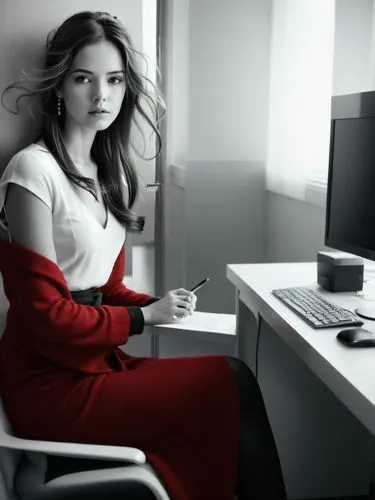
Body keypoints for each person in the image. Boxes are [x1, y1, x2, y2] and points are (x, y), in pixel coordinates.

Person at [0, 11, 287, 500]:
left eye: (113, 80)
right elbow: (46, 316)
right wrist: (142, 317)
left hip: (98, 364)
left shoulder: (111, 174)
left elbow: (107, 290)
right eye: (83, 79)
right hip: (50, 384)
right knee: (231, 381)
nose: (101, 96)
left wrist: (158, 303)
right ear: (59, 87)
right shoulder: (32, 173)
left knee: (231, 381)